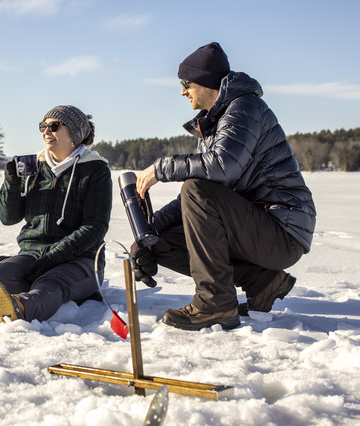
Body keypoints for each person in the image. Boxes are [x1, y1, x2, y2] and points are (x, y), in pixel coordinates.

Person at [132, 42, 316, 331]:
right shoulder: (217, 122)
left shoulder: (245, 107)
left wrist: (161, 168)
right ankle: (263, 281)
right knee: (161, 241)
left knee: (194, 188)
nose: (183, 91)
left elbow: (221, 167)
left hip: (283, 228)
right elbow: (205, 198)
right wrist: (150, 231)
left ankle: (214, 303)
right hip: (257, 226)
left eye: (186, 83)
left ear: (205, 81)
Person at [0, 105, 112, 322]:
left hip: (80, 257)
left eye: (53, 126)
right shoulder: (35, 166)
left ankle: (24, 307)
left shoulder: (95, 170)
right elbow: (8, 218)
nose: (46, 131)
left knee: (51, 282)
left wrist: (54, 257)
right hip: (33, 253)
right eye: (43, 126)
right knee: (0, 275)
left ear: (74, 132)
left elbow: (95, 227)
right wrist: (12, 184)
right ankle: (43, 293)